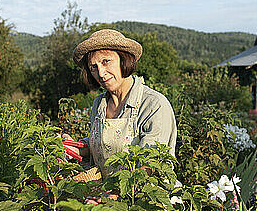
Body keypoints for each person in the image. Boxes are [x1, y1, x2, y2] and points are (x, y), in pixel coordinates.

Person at [62, 29, 177, 180]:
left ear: (123, 60)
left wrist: (116, 192)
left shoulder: (153, 104)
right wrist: (74, 148)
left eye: (106, 61)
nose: (101, 73)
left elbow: (151, 163)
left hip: (144, 196)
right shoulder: (100, 104)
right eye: (93, 67)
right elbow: (102, 146)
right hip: (106, 195)